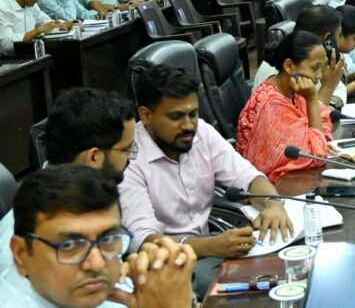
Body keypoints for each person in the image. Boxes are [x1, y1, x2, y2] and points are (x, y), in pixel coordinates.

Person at [118, 65, 292, 291]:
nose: (188, 125)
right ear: (146, 115)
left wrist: (273, 203)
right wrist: (211, 246)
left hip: (212, 252)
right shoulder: (129, 158)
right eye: (176, 117)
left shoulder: (202, 132)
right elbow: (144, 241)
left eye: (193, 114)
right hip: (167, 270)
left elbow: (248, 177)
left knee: (287, 269)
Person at [2, 165, 197, 308]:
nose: (96, 264)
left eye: (107, 239)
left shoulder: (106, 287)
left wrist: (169, 293)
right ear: (20, 254)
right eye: (69, 245)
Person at [0, 88, 137, 277]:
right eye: (126, 150)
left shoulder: (92, 197)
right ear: (94, 157)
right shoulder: (29, 248)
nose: (131, 158)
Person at [236, 31, 337, 183]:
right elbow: (316, 156)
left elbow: (323, 116)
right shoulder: (272, 104)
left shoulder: (291, 89)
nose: (319, 76)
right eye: (315, 68)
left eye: (321, 68)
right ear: (289, 66)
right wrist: (311, 99)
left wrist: (319, 139)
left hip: (294, 180)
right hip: (271, 188)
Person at [253, 4, 345, 103]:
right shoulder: (281, 71)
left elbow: (339, 88)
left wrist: (331, 103)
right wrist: (328, 87)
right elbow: (308, 112)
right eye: (339, 36)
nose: (319, 76)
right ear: (327, 39)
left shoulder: (314, 59)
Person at [0, 0, 70, 55]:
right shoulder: (2, 7)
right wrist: (38, 31)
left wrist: (67, 25)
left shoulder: (31, 5)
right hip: (8, 59)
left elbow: (47, 23)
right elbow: (7, 45)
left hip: (30, 54)